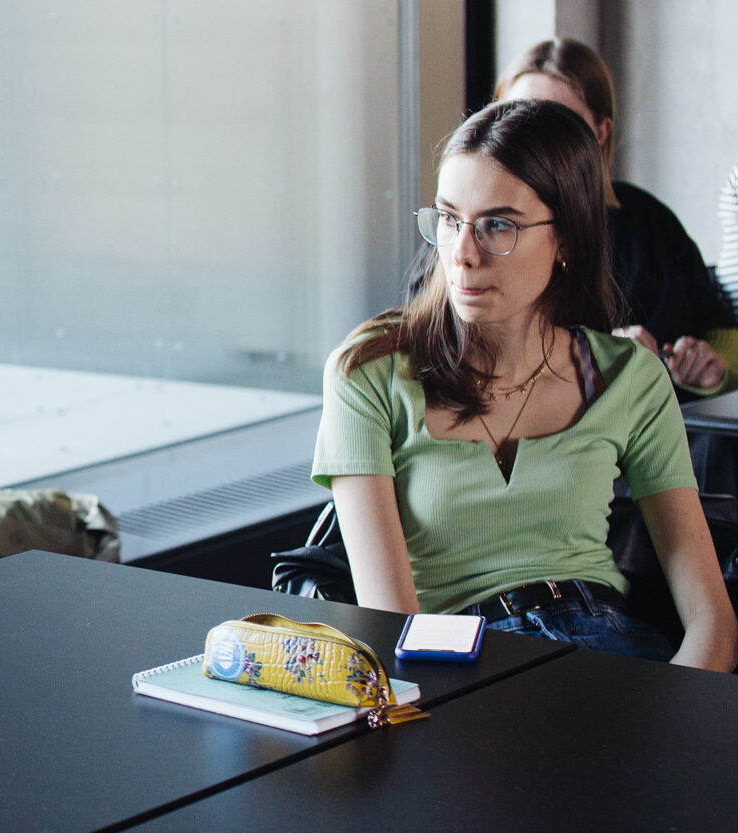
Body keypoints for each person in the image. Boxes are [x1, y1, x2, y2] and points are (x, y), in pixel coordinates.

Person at [314, 99, 736, 670]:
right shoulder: (369, 371)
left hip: (609, 647)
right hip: (457, 661)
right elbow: (392, 632)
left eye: (498, 225)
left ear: (566, 240)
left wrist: (675, 713)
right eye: (449, 219)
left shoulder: (629, 378)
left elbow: (713, 622)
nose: (463, 254)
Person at [495, 37, 737, 395]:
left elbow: (719, 328)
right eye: (517, 119)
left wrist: (714, 369)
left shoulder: (651, 223)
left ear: (601, 131)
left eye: (562, 125)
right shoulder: (469, 231)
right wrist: (594, 356)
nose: (539, 141)